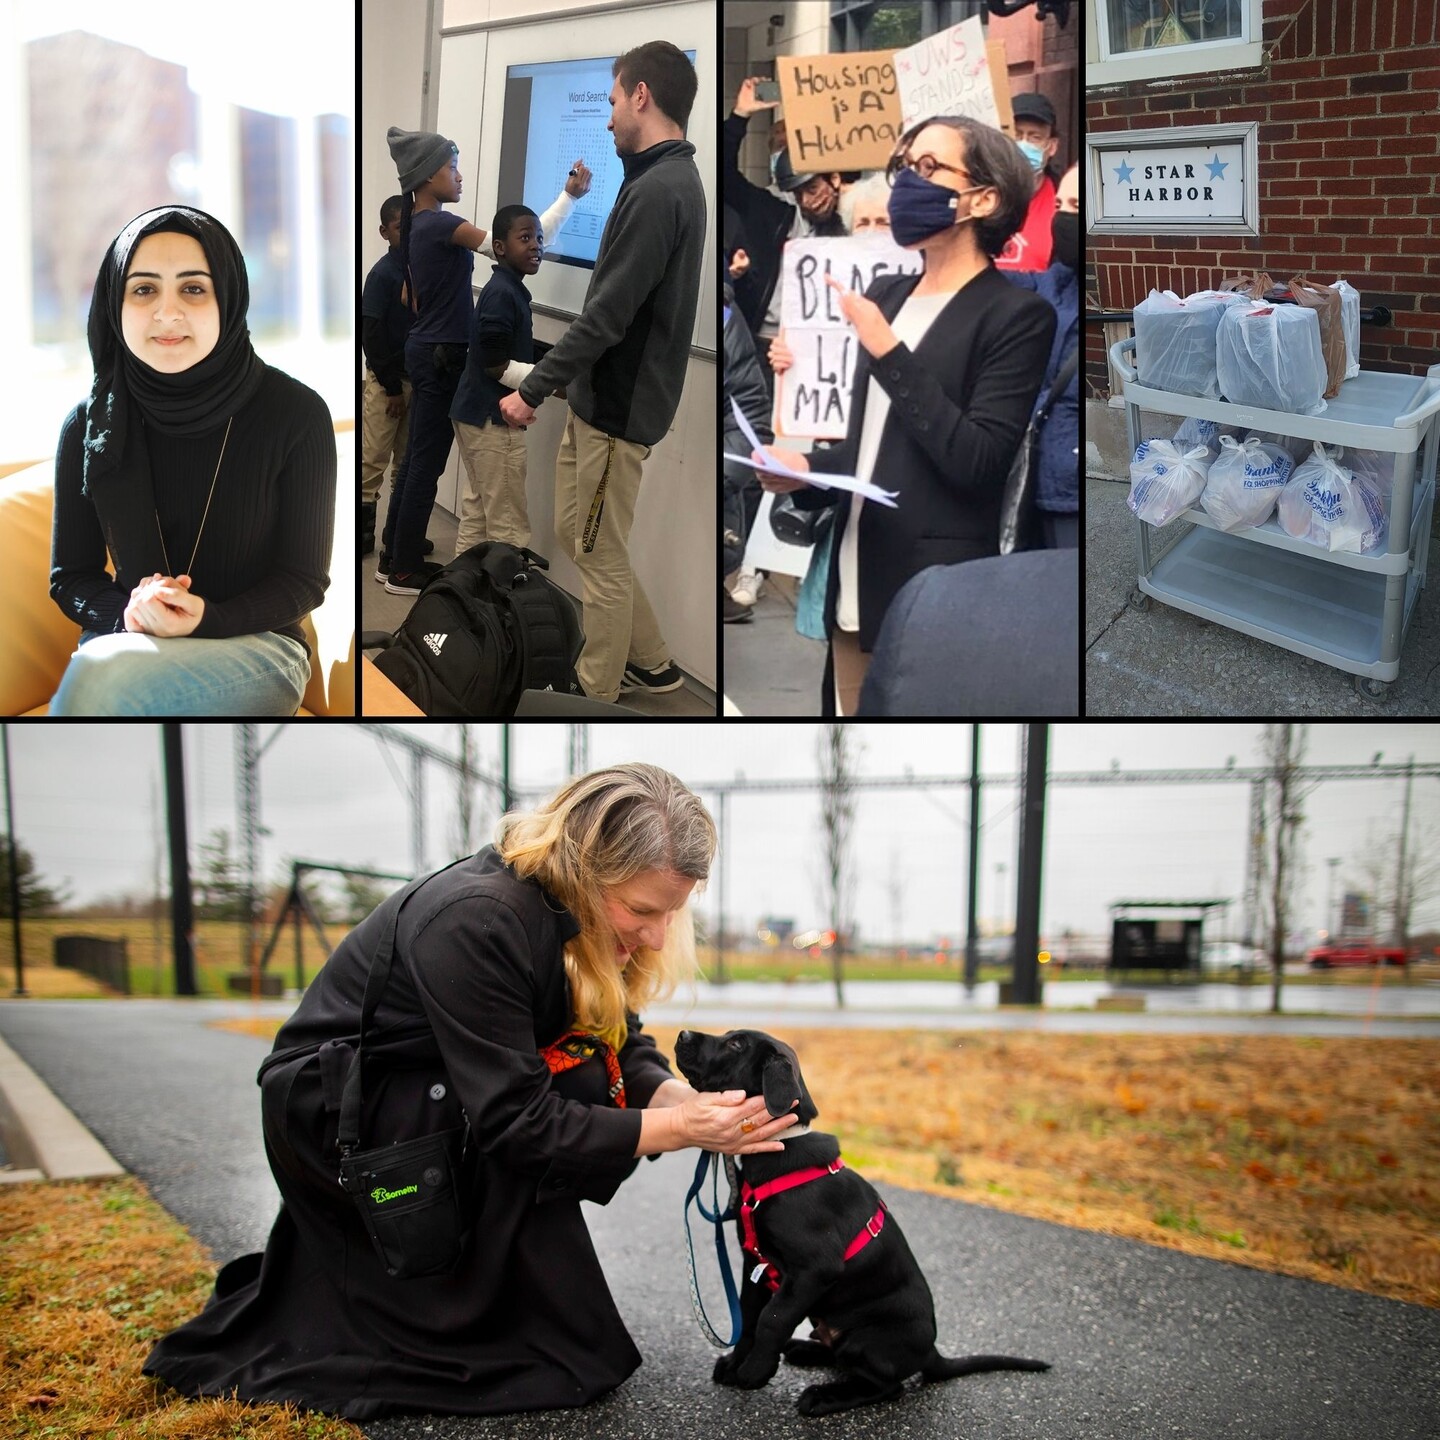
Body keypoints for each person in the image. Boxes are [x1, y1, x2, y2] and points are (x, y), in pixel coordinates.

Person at [143, 763, 798, 1419]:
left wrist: (673, 1101)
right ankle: (446, 1309)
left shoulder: (565, 912)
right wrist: (683, 1132)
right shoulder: (480, 919)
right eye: (642, 911)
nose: (657, 935)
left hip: (427, 1091)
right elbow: (516, 1124)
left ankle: (486, 1297)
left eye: (673, 913)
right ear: (582, 867)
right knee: (573, 1092)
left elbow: (620, 1041)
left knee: (590, 1078)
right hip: (339, 1111)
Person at [753, 116, 1057, 716]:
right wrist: (804, 469)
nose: (905, 187)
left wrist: (888, 349)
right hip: (852, 574)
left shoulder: (1016, 316)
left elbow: (977, 460)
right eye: (903, 168)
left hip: (932, 592)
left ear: (984, 198)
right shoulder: (889, 292)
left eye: (927, 169)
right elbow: (868, 445)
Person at [48, 205, 335, 717]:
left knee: (101, 686)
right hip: (125, 641)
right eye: (143, 289)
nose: (167, 312)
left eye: (193, 288)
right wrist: (131, 614)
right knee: (104, 676)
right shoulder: (87, 425)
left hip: (256, 646)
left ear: (228, 295)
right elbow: (71, 577)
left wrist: (205, 618)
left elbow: (303, 580)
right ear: (115, 302)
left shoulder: (296, 413)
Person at [497, 42, 704, 704]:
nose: (609, 118)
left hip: (617, 413)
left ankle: (593, 699)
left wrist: (531, 388)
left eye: (613, 102)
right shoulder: (655, 182)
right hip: (597, 402)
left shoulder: (662, 191)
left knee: (599, 555)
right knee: (580, 535)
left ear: (642, 95)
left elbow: (607, 318)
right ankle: (652, 660)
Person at [376, 129, 589, 595]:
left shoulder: (416, 223)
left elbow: (513, 243)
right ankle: (404, 568)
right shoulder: (438, 224)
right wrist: (568, 198)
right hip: (439, 357)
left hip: (430, 349)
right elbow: (512, 242)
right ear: (428, 174)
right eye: (452, 167)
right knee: (424, 464)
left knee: (419, 463)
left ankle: (396, 555)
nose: (459, 176)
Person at [449, 204, 556, 554]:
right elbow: (496, 365)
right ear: (499, 247)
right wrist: (552, 383)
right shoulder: (502, 293)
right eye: (525, 238)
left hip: (472, 413)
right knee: (508, 528)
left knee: (478, 514)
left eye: (539, 238)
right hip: (492, 421)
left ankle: (464, 598)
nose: (536, 245)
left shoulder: (506, 288)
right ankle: (503, 606)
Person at [1004, 162, 1080, 549]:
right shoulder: (1052, 282)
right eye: (1059, 205)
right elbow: (985, 278)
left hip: (1069, 492)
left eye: (1077, 207)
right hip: (1035, 483)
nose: (1063, 217)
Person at [360, 196, 413, 560]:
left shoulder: (421, 269)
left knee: (405, 462)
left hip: (417, 381)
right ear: (384, 231)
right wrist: (392, 388)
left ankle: (395, 537)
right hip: (386, 383)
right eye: (399, 227)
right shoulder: (383, 274)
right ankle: (363, 539)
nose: (407, 233)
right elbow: (372, 337)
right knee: (372, 460)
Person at [994, 93, 1062, 274]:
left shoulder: (1065, 202)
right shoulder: (980, 196)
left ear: (1052, 146)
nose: (1023, 145)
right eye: (1016, 136)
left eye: (1035, 137)